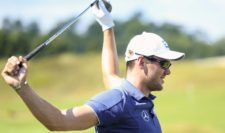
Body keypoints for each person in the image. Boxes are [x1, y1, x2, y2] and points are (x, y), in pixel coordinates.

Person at [1, 0, 185, 133]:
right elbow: (60, 121)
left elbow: (110, 74)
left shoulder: (135, 98)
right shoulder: (118, 101)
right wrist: (21, 86)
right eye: (164, 63)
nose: (168, 70)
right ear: (142, 61)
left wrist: (107, 26)